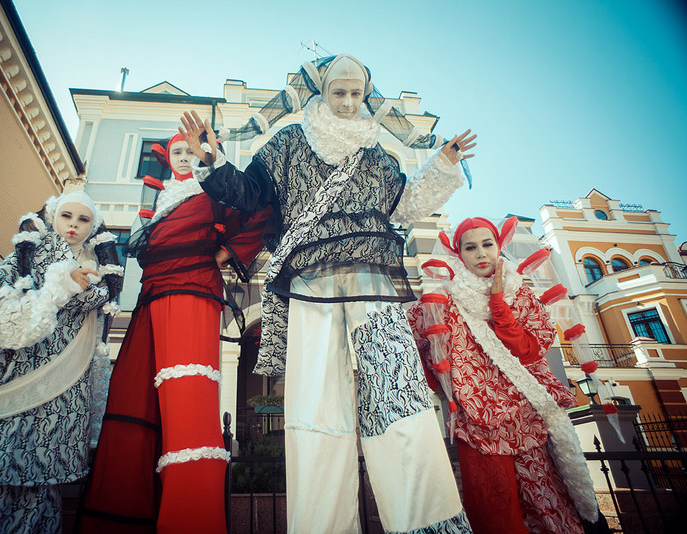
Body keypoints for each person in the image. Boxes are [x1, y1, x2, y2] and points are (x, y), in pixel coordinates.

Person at [180, 54, 475, 533]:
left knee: (397, 391)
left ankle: (427, 524)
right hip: (310, 282)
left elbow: (404, 206)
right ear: (321, 91)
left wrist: (443, 166)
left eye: (357, 93)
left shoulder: (377, 153)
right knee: (315, 401)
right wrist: (212, 160)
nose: (349, 101)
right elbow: (250, 193)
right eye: (339, 91)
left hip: (372, 280)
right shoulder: (289, 142)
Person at [77, 133, 269, 534]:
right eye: (177, 152)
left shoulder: (215, 191)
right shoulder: (157, 201)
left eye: (190, 151)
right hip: (149, 297)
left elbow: (261, 211)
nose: (184, 157)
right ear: (166, 159)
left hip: (191, 291)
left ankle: (191, 520)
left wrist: (224, 254)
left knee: (187, 399)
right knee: (135, 396)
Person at [0, 191, 123, 534]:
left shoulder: (100, 275)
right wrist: (59, 285)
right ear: (53, 217)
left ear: (93, 227)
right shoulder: (26, 257)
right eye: (67, 216)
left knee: (38, 490)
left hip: (60, 398)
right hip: (15, 380)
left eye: (83, 220)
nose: (74, 226)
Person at [406, 216, 603, 534]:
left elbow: (530, 351)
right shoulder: (441, 302)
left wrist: (498, 304)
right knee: (494, 510)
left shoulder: (520, 295)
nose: (481, 253)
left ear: (499, 246)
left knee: (547, 505)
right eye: (470, 247)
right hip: (479, 426)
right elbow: (412, 342)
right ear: (459, 254)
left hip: (529, 420)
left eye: (488, 244)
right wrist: (448, 388)